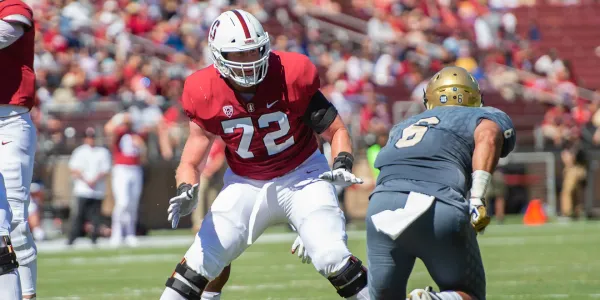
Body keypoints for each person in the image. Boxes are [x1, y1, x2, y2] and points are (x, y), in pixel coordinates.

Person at [160, 9, 369, 300]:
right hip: (246, 183)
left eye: (253, 51)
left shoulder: (290, 74)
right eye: (239, 55)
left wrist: (342, 161)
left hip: (303, 175)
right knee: (199, 262)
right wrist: (186, 188)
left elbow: (336, 131)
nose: (249, 62)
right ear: (219, 56)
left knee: (331, 256)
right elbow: (191, 160)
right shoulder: (204, 90)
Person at [366, 66, 516, 300]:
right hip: (436, 203)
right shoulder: (482, 115)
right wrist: (477, 197)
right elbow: (488, 135)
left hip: (381, 205)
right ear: (474, 96)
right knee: (470, 295)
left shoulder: (402, 126)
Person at [0, 1, 38, 298]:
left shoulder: (12, 7)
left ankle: (27, 294)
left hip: (9, 122)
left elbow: (11, 27)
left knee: (14, 223)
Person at [104, 112, 146, 247]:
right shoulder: (119, 132)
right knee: (122, 202)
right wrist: (119, 118)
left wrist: (142, 146)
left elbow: (144, 153)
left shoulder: (136, 134)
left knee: (133, 204)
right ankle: (116, 234)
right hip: (121, 169)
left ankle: (130, 234)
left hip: (135, 169)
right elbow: (108, 129)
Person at [67, 127, 112, 245]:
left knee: (95, 216)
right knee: (78, 215)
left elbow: (106, 170)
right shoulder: (79, 151)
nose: (90, 140)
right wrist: (86, 180)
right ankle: (72, 237)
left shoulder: (102, 152)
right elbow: (73, 169)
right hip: (82, 188)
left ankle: (94, 238)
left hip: (97, 189)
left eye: (92, 137)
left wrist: (95, 180)